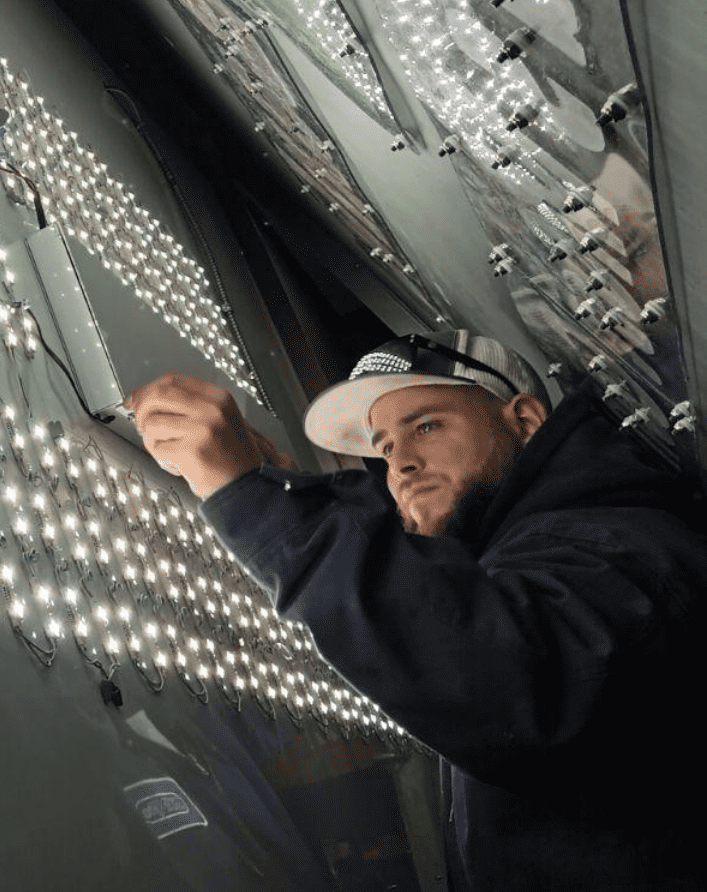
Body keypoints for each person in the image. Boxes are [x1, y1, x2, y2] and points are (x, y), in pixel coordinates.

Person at [125, 330, 707, 891]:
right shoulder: (528, 561)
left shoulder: (619, 543)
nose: (400, 464)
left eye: (426, 426)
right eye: (384, 448)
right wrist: (286, 494)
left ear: (526, 421)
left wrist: (258, 502)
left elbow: (501, 678)